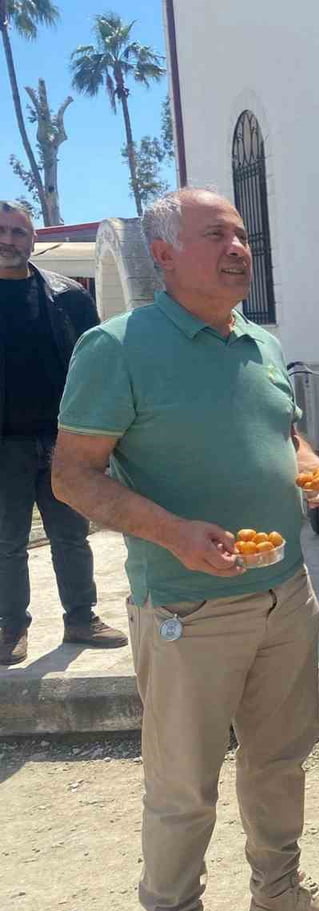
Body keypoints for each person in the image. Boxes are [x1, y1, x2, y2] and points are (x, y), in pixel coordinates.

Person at [52, 188, 319, 911]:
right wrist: (174, 533)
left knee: (280, 760)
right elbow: (72, 476)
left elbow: (285, 440)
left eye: (242, 235)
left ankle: (277, 890)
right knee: (183, 788)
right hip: (187, 609)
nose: (238, 248)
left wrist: (318, 471)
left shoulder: (261, 343)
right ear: (163, 255)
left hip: (286, 594)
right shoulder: (116, 348)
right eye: (215, 235)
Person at [0, 200, 125, 664]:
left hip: (64, 441)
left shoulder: (68, 296)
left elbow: (98, 363)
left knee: (72, 535)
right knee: (7, 543)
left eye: (18, 232)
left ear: (33, 240)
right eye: (2, 231)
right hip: (5, 446)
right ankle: (10, 626)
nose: (9, 240)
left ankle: (81, 618)